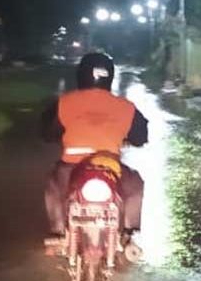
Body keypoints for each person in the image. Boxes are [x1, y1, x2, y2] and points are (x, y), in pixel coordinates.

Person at [41, 52, 147, 239]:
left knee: (53, 187)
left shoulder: (65, 102)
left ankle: (57, 232)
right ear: (110, 77)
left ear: (81, 75)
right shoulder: (125, 107)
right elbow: (140, 137)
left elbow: (47, 133)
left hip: (70, 169)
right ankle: (129, 233)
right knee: (136, 186)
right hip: (111, 169)